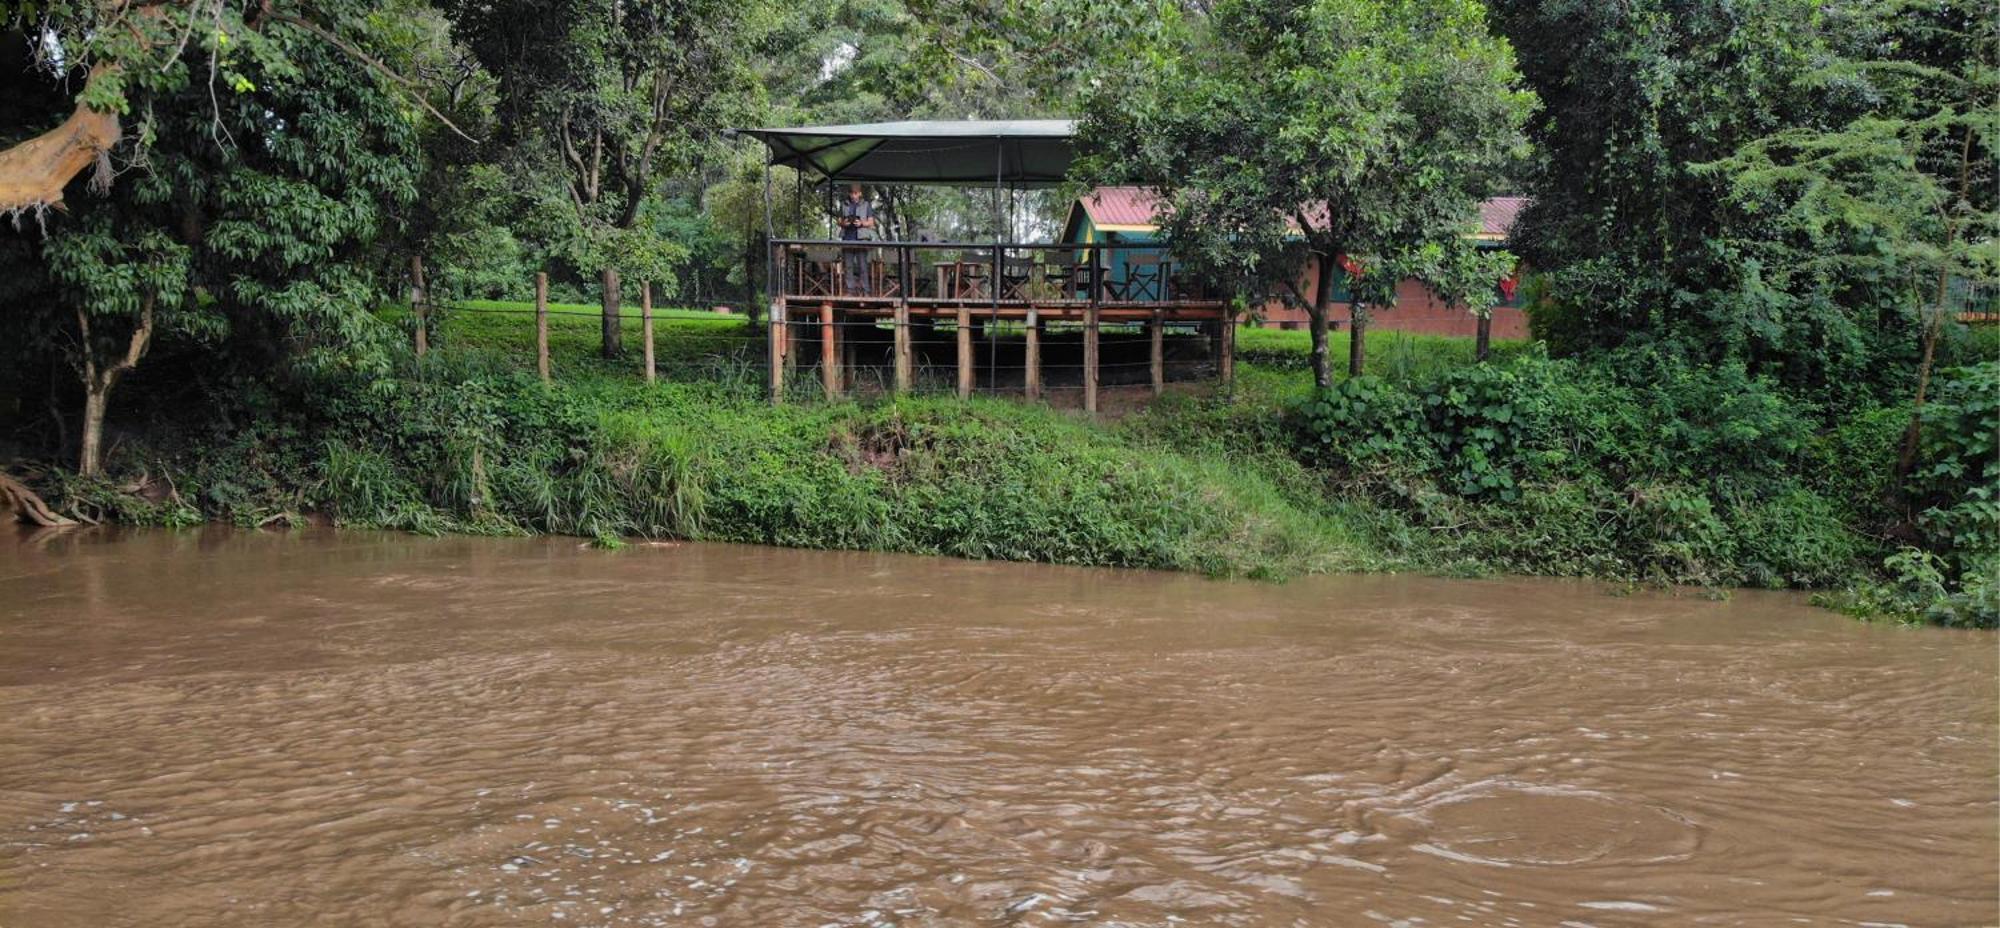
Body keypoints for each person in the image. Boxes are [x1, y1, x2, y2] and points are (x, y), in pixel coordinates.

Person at [835, 183, 876, 295]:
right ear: (849, 194)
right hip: (847, 238)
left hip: (861, 239)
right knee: (848, 266)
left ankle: (865, 291)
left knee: (862, 266)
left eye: (856, 193)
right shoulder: (844, 205)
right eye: (852, 193)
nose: (854, 196)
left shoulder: (866, 205)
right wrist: (844, 223)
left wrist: (861, 223)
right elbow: (838, 221)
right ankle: (850, 291)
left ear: (860, 193)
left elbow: (871, 222)